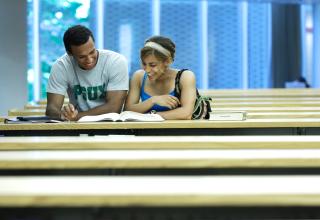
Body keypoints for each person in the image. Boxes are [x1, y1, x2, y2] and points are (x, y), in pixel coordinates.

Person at [46, 25, 129, 121]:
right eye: (82, 57)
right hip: (78, 127)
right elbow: (51, 109)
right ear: (70, 54)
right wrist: (63, 113)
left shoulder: (116, 61)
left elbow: (114, 108)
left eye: (92, 52)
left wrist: (76, 117)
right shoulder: (61, 66)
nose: (89, 60)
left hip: (112, 125)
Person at [124, 36, 197, 119]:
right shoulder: (138, 77)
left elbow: (186, 113)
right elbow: (128, 110)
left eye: (152, 65)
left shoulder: (185, 77)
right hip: (146, 130)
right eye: (144, 64)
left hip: (179, 130)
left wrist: (151, 115)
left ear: (167, 61)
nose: (147, 70)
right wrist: (153, 100)